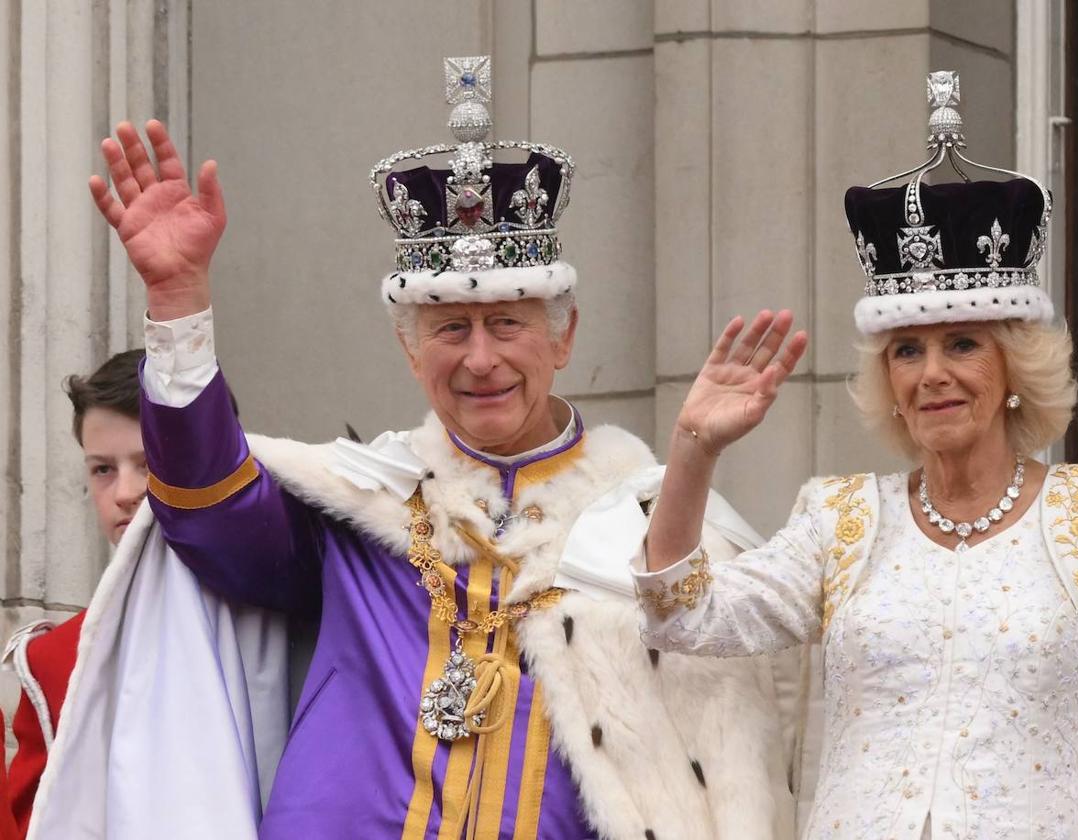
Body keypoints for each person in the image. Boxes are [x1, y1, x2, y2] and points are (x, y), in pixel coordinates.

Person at [58, 55, 796, 839]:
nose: (479, 360)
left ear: (564, 337)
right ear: (411, 350)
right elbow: (209, 512)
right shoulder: (360, 508)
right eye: (449, 329)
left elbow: (730, 766)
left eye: (507, 324)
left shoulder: (658, 530)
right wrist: (178, 300)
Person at [634, 71, 1078, 839]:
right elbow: (684, 618)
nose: (932, 372)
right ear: (889, 381)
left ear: (1012, 369)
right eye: (907, 350)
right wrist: (695, 447)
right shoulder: (838, 520)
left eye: (962, 343)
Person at [4, 350, 147, 838]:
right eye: (103, 469)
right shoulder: (52, 657)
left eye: (150, 464)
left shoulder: (282, 615)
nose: (125, 492)